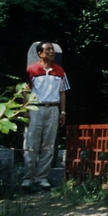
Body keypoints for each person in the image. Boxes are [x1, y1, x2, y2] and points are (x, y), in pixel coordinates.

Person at [22, 42, 69, 190]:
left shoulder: (60, 71)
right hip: (35, 108)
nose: (51, 52)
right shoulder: (31, 70)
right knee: (31, 143)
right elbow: (25, 92)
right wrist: (25, 110)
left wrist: (62, 112)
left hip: (53, 108)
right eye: (48, 49)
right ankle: (28, 178)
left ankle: (42, 178)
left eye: (52, 49)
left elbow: (63, 93)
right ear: (40, 54)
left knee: (48, 144)